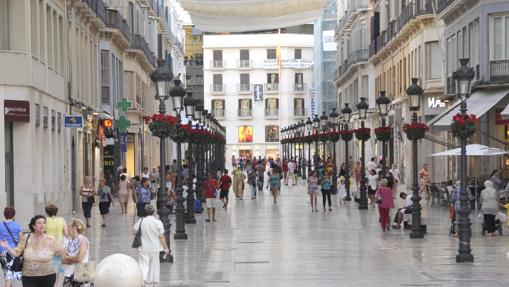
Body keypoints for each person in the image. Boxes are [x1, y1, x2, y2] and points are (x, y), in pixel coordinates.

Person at [0, 215, 66, 287]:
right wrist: (7, 247)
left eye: (44, 223)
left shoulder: (51, 239)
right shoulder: (26, 237)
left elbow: (62, 252)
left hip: (48, 276)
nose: (42, 225)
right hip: (29, 276)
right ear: (34, 226)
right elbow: (16, 253)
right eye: (39, 223)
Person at [133, 205, 169, 286]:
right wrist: (166, 247)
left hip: (143, 247)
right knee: (154, 265)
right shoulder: (158, 222)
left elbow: (134, 231)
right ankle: (153, 280)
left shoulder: (141, 221)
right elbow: (161, 236)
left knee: (143, 265)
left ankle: (143, 280)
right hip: (155, 248)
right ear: (154, 212)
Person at [61, 218, 92, 287]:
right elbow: (62, 260)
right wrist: (72, 259)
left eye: (68, 226)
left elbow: (80, 258)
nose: (67, 229)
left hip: (81, 274)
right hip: (68, 274)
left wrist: (68, 258)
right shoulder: (68, 242)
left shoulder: (83, 240)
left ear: (74, 228)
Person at [45, 204, 68, 287]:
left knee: (50, 266)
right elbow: (66, 233)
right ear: (56, 211)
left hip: (47, 246)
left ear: (47, 212)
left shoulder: (45, 220)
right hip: (59, 246)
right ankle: (58, 285)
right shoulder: (62, 220)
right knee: (59, 267)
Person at [0, 207, 22, 287]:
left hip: (2, 252)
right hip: (13, 251)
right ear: (14, 215)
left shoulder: (0, 225)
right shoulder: (17, 226)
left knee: (8, 273)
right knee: (9, 276)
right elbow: (21, 240)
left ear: (4, 214)